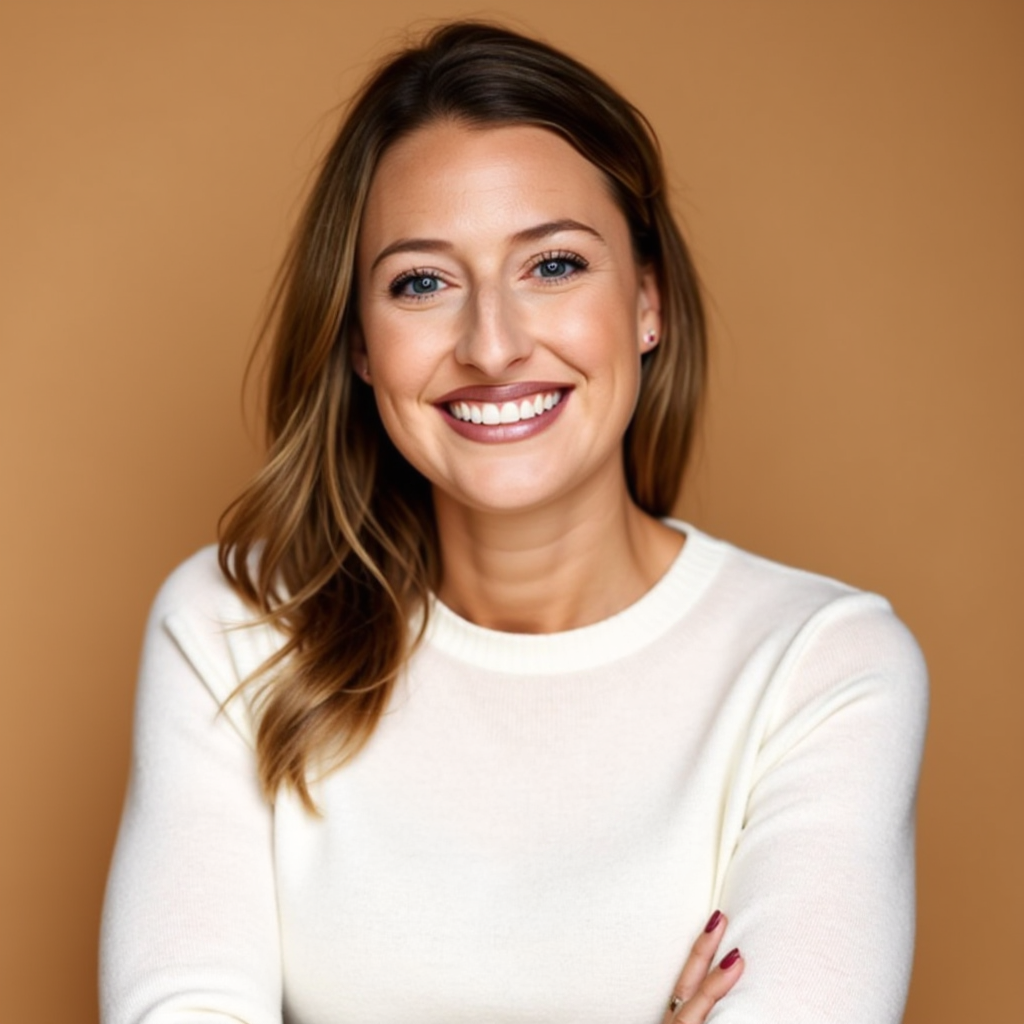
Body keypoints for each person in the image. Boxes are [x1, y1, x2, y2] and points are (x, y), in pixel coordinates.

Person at [99, 20, 928, 1024]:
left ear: (647, 303)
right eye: (422, 282)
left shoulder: (821, 667)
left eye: (554, 266)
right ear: (360, 344)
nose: (491, 345)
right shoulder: (232, 628)